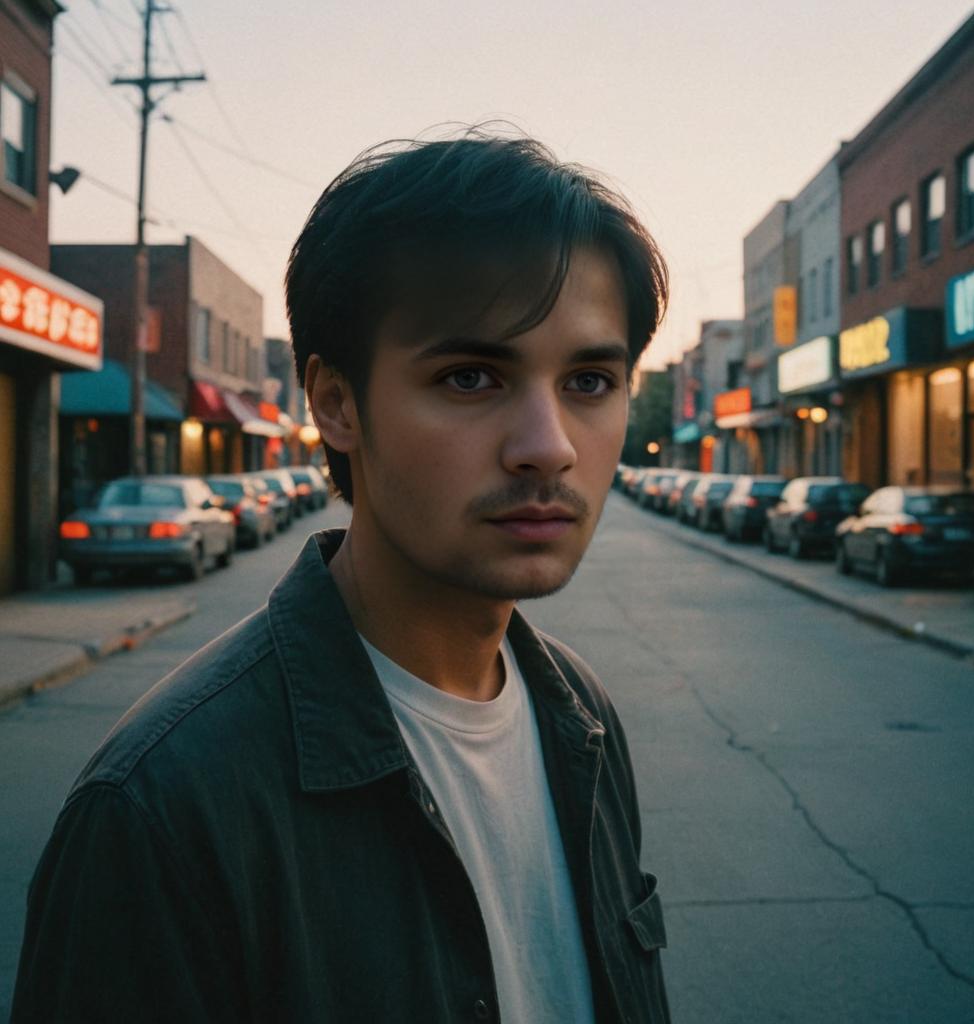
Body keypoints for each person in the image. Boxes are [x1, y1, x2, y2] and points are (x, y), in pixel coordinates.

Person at [13, 127, 671, 1023]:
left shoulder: (582, 718)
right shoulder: (162, 808)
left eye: (590, 381)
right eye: (472, 376)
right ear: (334, 401)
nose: (549, 446)